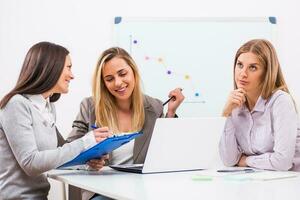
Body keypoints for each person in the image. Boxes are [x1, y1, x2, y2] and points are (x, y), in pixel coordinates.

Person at [67, 47, 184, 199]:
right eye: (109, 79)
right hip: (102, 192)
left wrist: (170, 113)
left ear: (133, 71)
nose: (118, 83)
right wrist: (88, 162)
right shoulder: (90, 107)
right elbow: (67, 151)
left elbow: (165, 153)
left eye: (123, 74)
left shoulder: (154, 107)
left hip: (142, 192)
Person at [0, 42, 111, 200]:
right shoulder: (16, 105)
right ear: (51, 67)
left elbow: (60, 153)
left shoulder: (48, 107)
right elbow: (31, 163)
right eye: (68, 67)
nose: (72, 75)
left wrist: (87, 162)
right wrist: (85, 142)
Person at [219, 39, 300, 171]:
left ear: (266, 73)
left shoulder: (281, 102)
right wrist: (226, 114)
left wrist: (246, 160)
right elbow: (229, 160)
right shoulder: (235, 104)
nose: (243, 74)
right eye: (240, 65)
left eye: (253, 67)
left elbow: (282, 162)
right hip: (260, 180)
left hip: (291, 182)